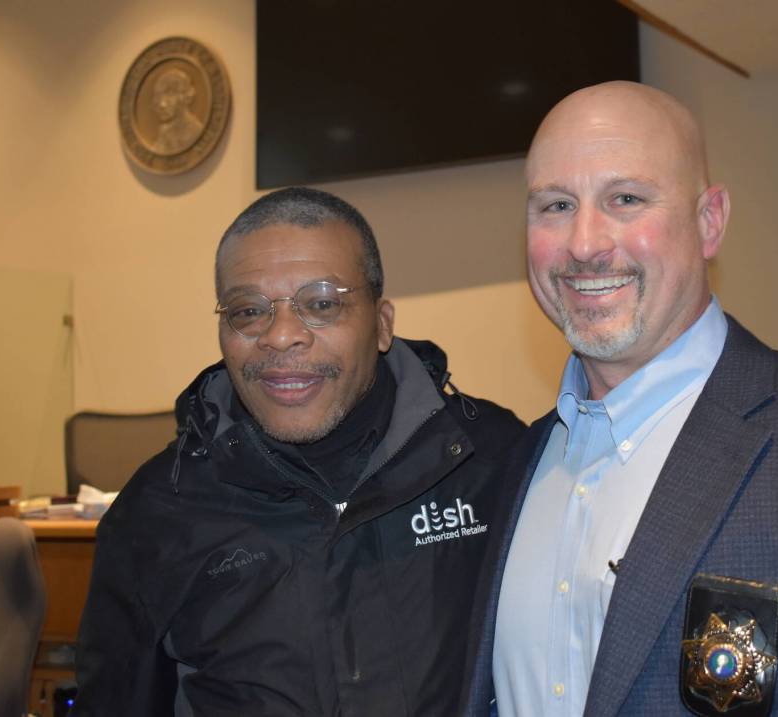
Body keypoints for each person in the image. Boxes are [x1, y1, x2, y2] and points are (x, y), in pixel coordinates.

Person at [463, 81, 778, 716]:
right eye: (556, 206)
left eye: (625, 199)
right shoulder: (511, 466)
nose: (585, 242)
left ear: (709, 222)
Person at [73, 187, 524, 715]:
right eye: (248, 310)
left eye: (322, 304)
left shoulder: (491, 460)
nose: (281, 336)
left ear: (381, 325)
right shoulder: (156, 513)